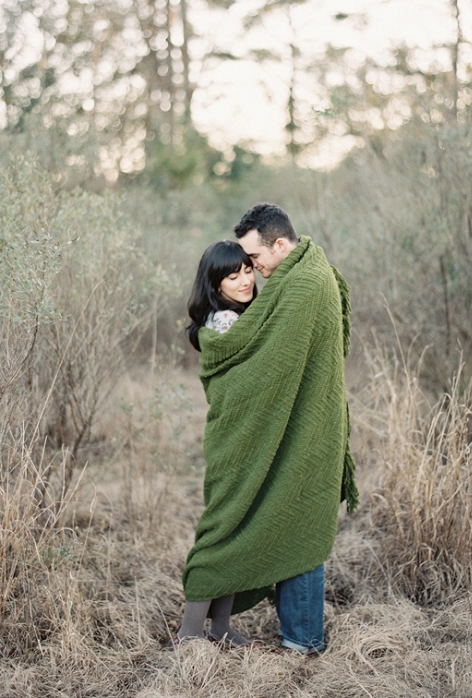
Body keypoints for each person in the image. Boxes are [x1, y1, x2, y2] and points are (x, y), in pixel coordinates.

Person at [181, 204, 358, 654]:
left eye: (252, 261)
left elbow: (278, 359)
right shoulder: (282, 290)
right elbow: (251, 365)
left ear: (279, 245)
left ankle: (253, 633)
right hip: (242, 435)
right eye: (238, 270)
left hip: (299, 433)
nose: (251, 274)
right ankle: (195, 634)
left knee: (264, 524)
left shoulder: (299, 286)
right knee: (229, 524)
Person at [176, 240, 258, 647]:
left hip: (242, 439)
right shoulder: (226, 323)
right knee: (220, 531)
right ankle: (189, 636)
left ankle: (221, 628)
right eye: (233, 275)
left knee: (236, 528)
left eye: (248, 269)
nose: (245, 280)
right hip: (233, 441)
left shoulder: (239, 315)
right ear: (215, 283)